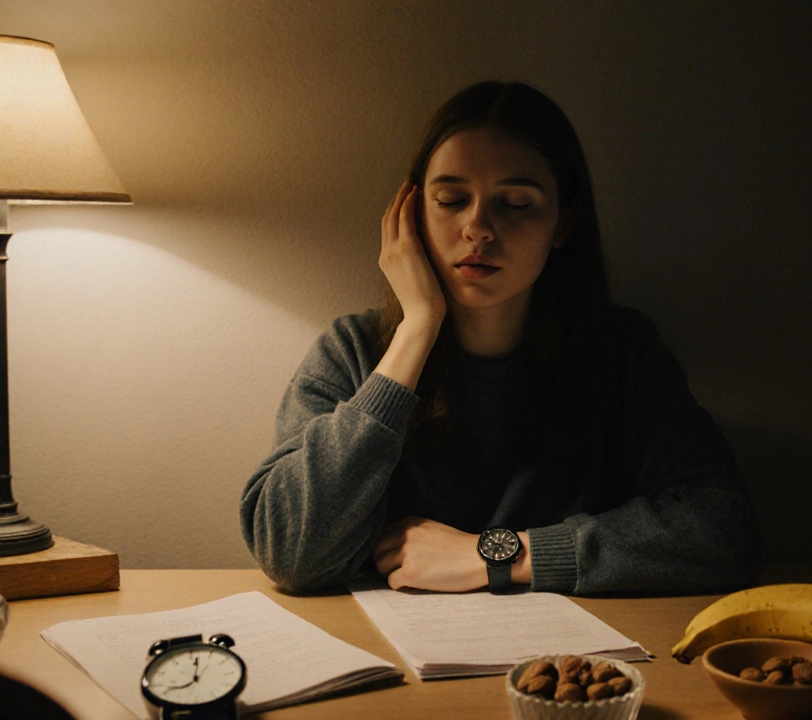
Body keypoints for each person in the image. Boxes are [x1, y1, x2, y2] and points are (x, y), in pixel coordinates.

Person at [240, 80, 758, 596]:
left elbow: (722, 528)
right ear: (412, 214)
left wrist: (499, 554)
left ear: (563, 221)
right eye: (450, 199)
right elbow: (289, 553)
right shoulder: (352, 351)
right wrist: (417, 328)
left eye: (514, 203)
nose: (478, 228)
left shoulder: (622, 353)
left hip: (573, 660)